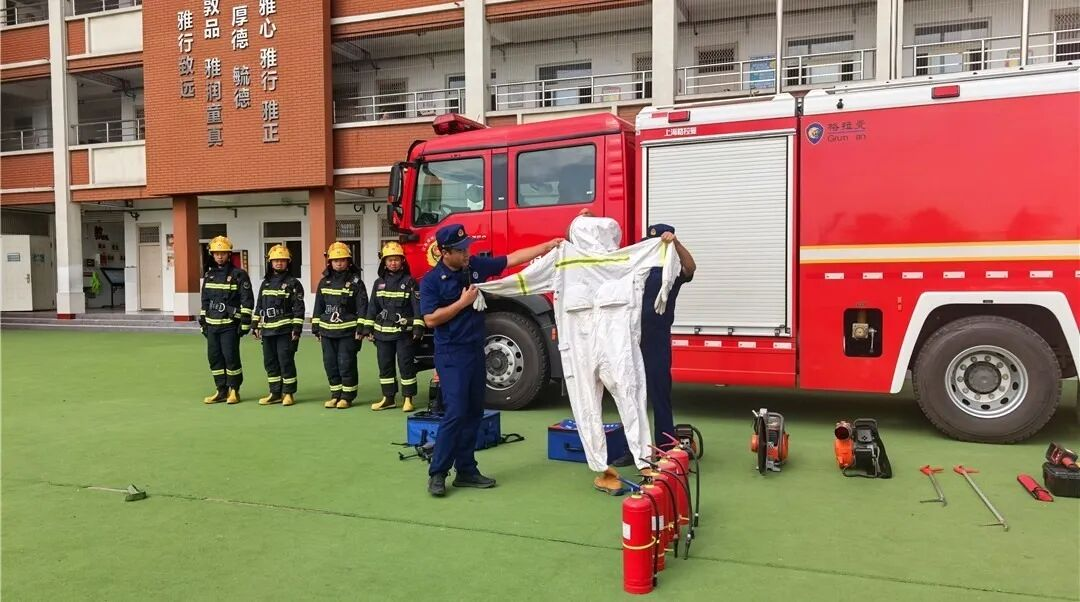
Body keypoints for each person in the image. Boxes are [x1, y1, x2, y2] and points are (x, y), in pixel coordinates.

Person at [471, 216, 681, 494]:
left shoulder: (601, 259)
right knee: (613, 400)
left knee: (609, 400)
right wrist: (486, 290)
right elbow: (524, 281)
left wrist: (487, 290)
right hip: (601, 346)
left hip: (599, 344)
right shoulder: (601, 259)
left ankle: (624, 465)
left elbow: (523, 281)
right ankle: (625, 465)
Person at [420, 224, 562, 497]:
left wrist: (548, 246)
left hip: (475, 351)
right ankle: (437, 473)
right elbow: (431, 319)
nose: (466, 253)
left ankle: (466, 470)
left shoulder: (473, 266)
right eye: (461, 250)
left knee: (474, 412)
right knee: (456, 412)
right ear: (444, 252)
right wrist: (462, 303)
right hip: (452, 354)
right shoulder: (431, 281)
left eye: (467, 248)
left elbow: (512, 258)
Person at [614, 224, 696, 465]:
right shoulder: (634, 269)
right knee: (630, 393)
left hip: (657, 339)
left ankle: (666, 446)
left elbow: (691, 269)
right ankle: (634, 448)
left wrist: (676, 244)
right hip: (630, 338)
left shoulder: (671, 272)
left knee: (660, 394)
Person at [366, 241, 424, 412]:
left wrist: (418, 327)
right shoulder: (379, 283)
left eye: (397, 259)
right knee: (385, 366)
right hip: (382, 333)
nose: (393, 263)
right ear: (384, 262)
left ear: (402, 261)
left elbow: (417, 307)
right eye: (390, 260)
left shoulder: (410, 282)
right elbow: (372, 307)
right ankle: (388, 398)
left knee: (406, 365)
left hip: (403, 333)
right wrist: (368, 329)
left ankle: (408, 398)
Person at [312, 242, 368, 409]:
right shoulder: (324, 282)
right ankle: (335, 394)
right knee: (330, 363)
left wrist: (361, 329)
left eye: (342, 260)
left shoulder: (356, 282)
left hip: (347, 332)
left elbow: (363, 307)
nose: (339, 263)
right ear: (330, 262)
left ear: (349, 261)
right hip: (327, 331)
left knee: (346, 363)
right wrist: (316, 328)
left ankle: (347, 396)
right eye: (335, 260)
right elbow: (318, 307)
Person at [199, 235, 254, 404]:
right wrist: (203, 322)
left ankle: (234, 390)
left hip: (230, 325)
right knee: (214, 358)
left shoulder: (239, 275)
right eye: (216, 253)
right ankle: (220, 390)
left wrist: (245, 323)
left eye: (223, 253)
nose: (219, 256)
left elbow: (247, 300)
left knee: (231, 358)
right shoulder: (209, 276)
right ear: (212, 255)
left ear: (229, 254)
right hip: (212, 325)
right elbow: (205, 301)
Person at [253, 244, 305, 407]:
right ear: (270, 262)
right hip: (268, 329)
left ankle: (288, 393)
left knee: (285, 361)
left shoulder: (293, 283)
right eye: (275, 261)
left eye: (282, 261)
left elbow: (299, 308)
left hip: (285, 329)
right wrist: (255, 324)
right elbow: (259, 305)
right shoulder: (266, 283)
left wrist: (296, 330)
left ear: (288, 262)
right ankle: (275, 392)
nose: (279, 263)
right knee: (270, 361)